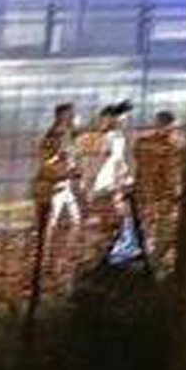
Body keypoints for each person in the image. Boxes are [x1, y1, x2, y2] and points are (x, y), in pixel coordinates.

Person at [76, 100, 134, 260]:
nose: (122, 123)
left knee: (116, 219)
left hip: (111, 186)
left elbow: (117, 161)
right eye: (118, 119)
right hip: (98, 187)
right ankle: (97, 254)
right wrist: (88, 185)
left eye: (123, 120)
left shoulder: (117, 137)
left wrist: (126, 178)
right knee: (102, 220)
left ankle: (105, 253)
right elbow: (89, 163)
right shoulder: (92, 138)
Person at [30, 102, 84, 274]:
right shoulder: (53, 136)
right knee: (47, 227)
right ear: (63, 116)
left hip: (63, 186)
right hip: (51, 187)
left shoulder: (68, 136)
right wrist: (64, 166)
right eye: (72, 115)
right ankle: (43, 264)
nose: (75, 118)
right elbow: (45, 159)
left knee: (74, 221)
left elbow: (70, 160)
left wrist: (72, 171)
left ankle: (56, 260)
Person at [131, 108, 186, 264]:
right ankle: (155, 263)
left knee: (146, 230)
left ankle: (148, 262)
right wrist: (178, 192)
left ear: (156, 123)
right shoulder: (175, 145)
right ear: (171, 124)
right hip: (164, 196)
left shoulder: (141, 142)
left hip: (144, 194)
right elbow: (173, 173)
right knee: (166, 231)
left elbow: (136, 162)